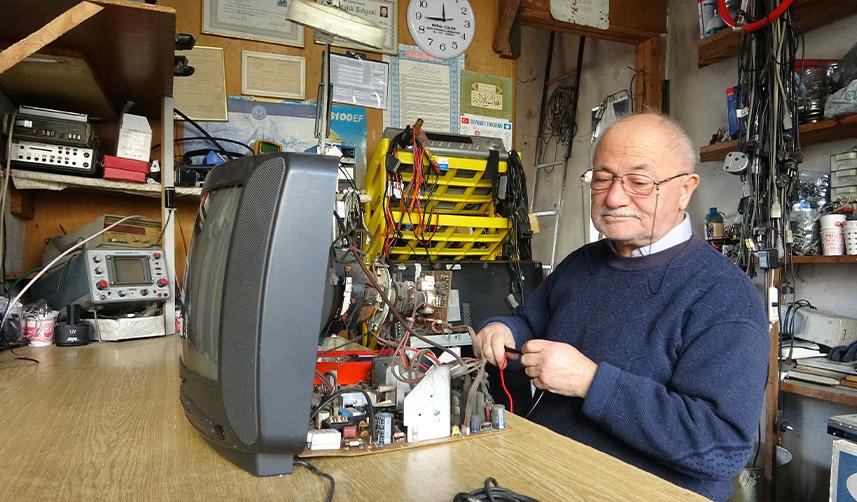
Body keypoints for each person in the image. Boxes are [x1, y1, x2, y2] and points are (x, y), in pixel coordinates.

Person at [474, 113, 769, 502]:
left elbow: (721, 449)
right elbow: (530, 323)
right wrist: (503, 329)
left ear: (685, 189)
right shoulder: (580, 264)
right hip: (541, 476)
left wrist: (591, 382)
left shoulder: (725, 296)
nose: (614, 197)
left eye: (639, 182)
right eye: (602, 178)